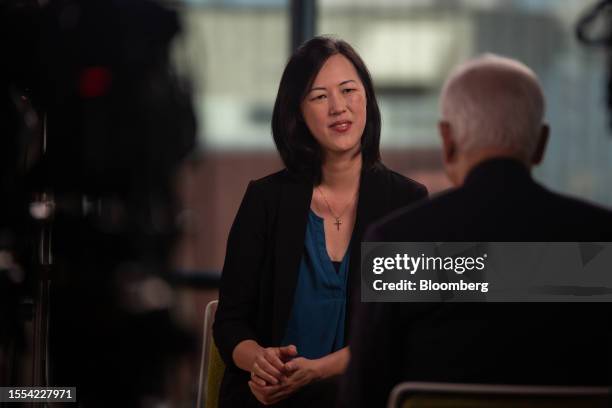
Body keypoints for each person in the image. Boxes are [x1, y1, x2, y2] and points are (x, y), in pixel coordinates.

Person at [339, 54, 612, 407]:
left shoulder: (398, 247)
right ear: (541, 143)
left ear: (447, 140)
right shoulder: (603, 239)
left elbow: (362, 395)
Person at [213, 36, 427, 407]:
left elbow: (400, 331)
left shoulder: (406, 203)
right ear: (297, 112)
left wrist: (318, 370)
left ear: (368, 99)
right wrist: (260, 361)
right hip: (270, 398)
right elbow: (230, 322)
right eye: (319, 97)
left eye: (348, 90)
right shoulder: (266, 200)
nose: (338, 108)